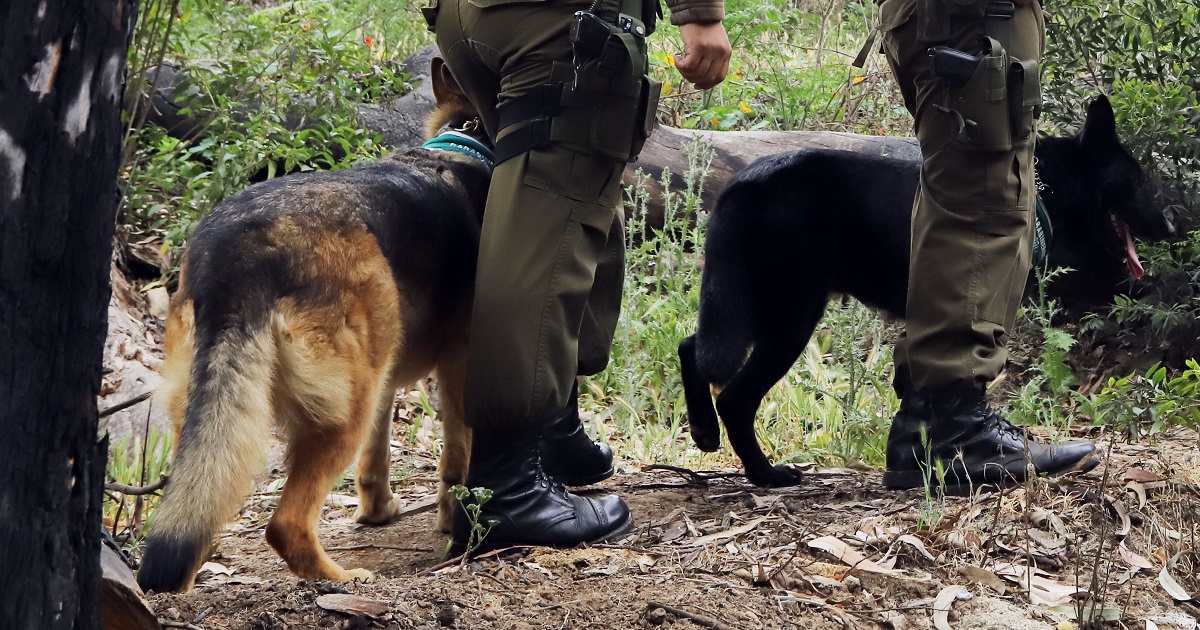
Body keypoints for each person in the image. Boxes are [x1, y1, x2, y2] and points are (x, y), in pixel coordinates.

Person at [426, 0, 731, 552]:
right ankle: (507, 489)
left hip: (466, 16)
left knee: (563, 189)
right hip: (560, 18)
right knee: (551, 207)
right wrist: (701, 13)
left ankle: (554, 432)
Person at [876, 0, 1101, 492]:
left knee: (967, 198)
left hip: (962, 18)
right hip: (971, 17)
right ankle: (953, 433)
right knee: (982, 203)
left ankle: (927, 424)